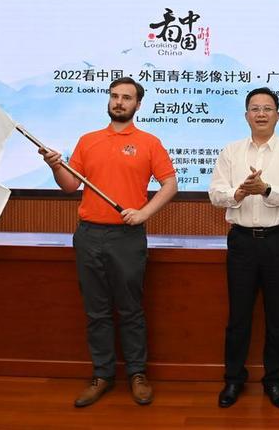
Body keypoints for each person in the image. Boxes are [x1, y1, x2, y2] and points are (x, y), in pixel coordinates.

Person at [40, 77, 177, 408]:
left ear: (138, 105)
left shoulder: (149, 142)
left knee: (130, 310)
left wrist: (144, 213)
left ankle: (137, 374)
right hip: (89, 235)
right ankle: (102, 374)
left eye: (126, 98)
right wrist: (55, 166)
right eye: (115, 96)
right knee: (96, 311)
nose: (119, 102)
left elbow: (170, 184)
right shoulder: (88, 140)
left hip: (126, 238)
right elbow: (70, 185)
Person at [208, 87, 279, 409]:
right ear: (246, 115)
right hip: (242, 242)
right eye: (255, 108)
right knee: (238, 316)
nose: (261, 113)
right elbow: (215, 194)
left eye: (267, 108)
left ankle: (274, 381)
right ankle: (233, 380)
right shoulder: (231, 152)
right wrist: (238, 194)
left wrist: (265, 190)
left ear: (278, 115)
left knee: (278, 316)